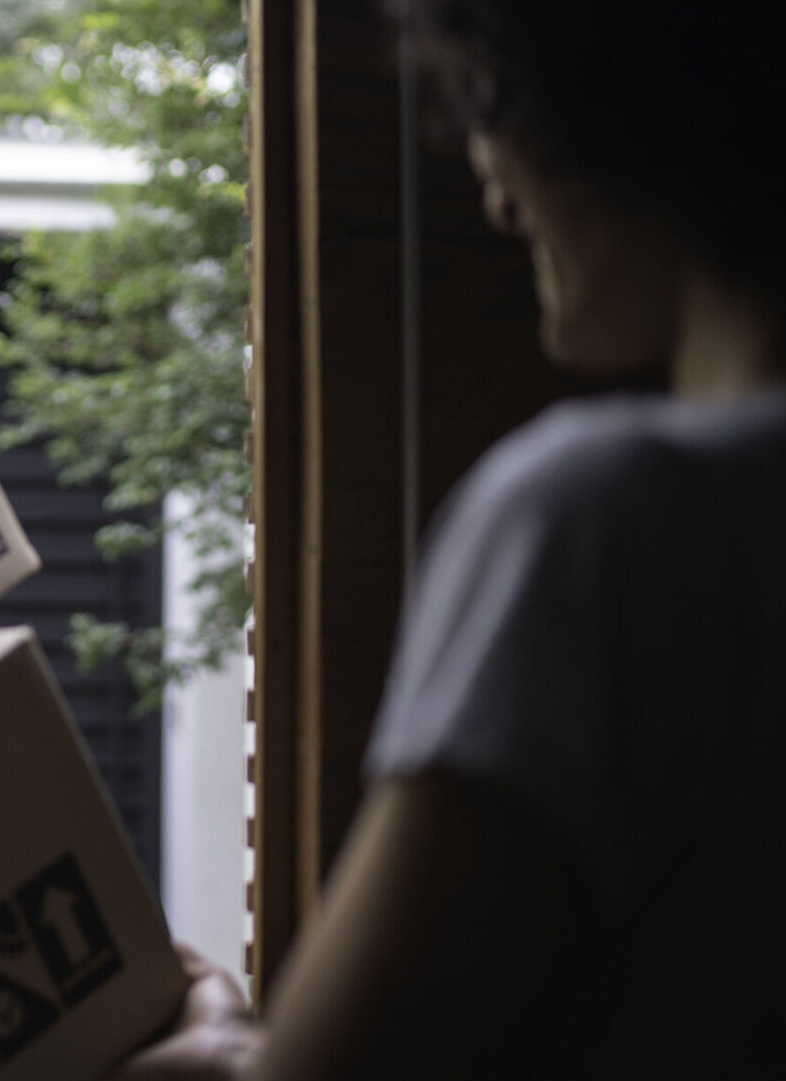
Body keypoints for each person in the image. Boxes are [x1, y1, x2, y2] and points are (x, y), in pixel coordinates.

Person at [115, 2, 784, 1078]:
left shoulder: (611, 517)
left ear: (609, 110)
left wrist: (223, 1046)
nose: (487, 181)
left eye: (491, 105)